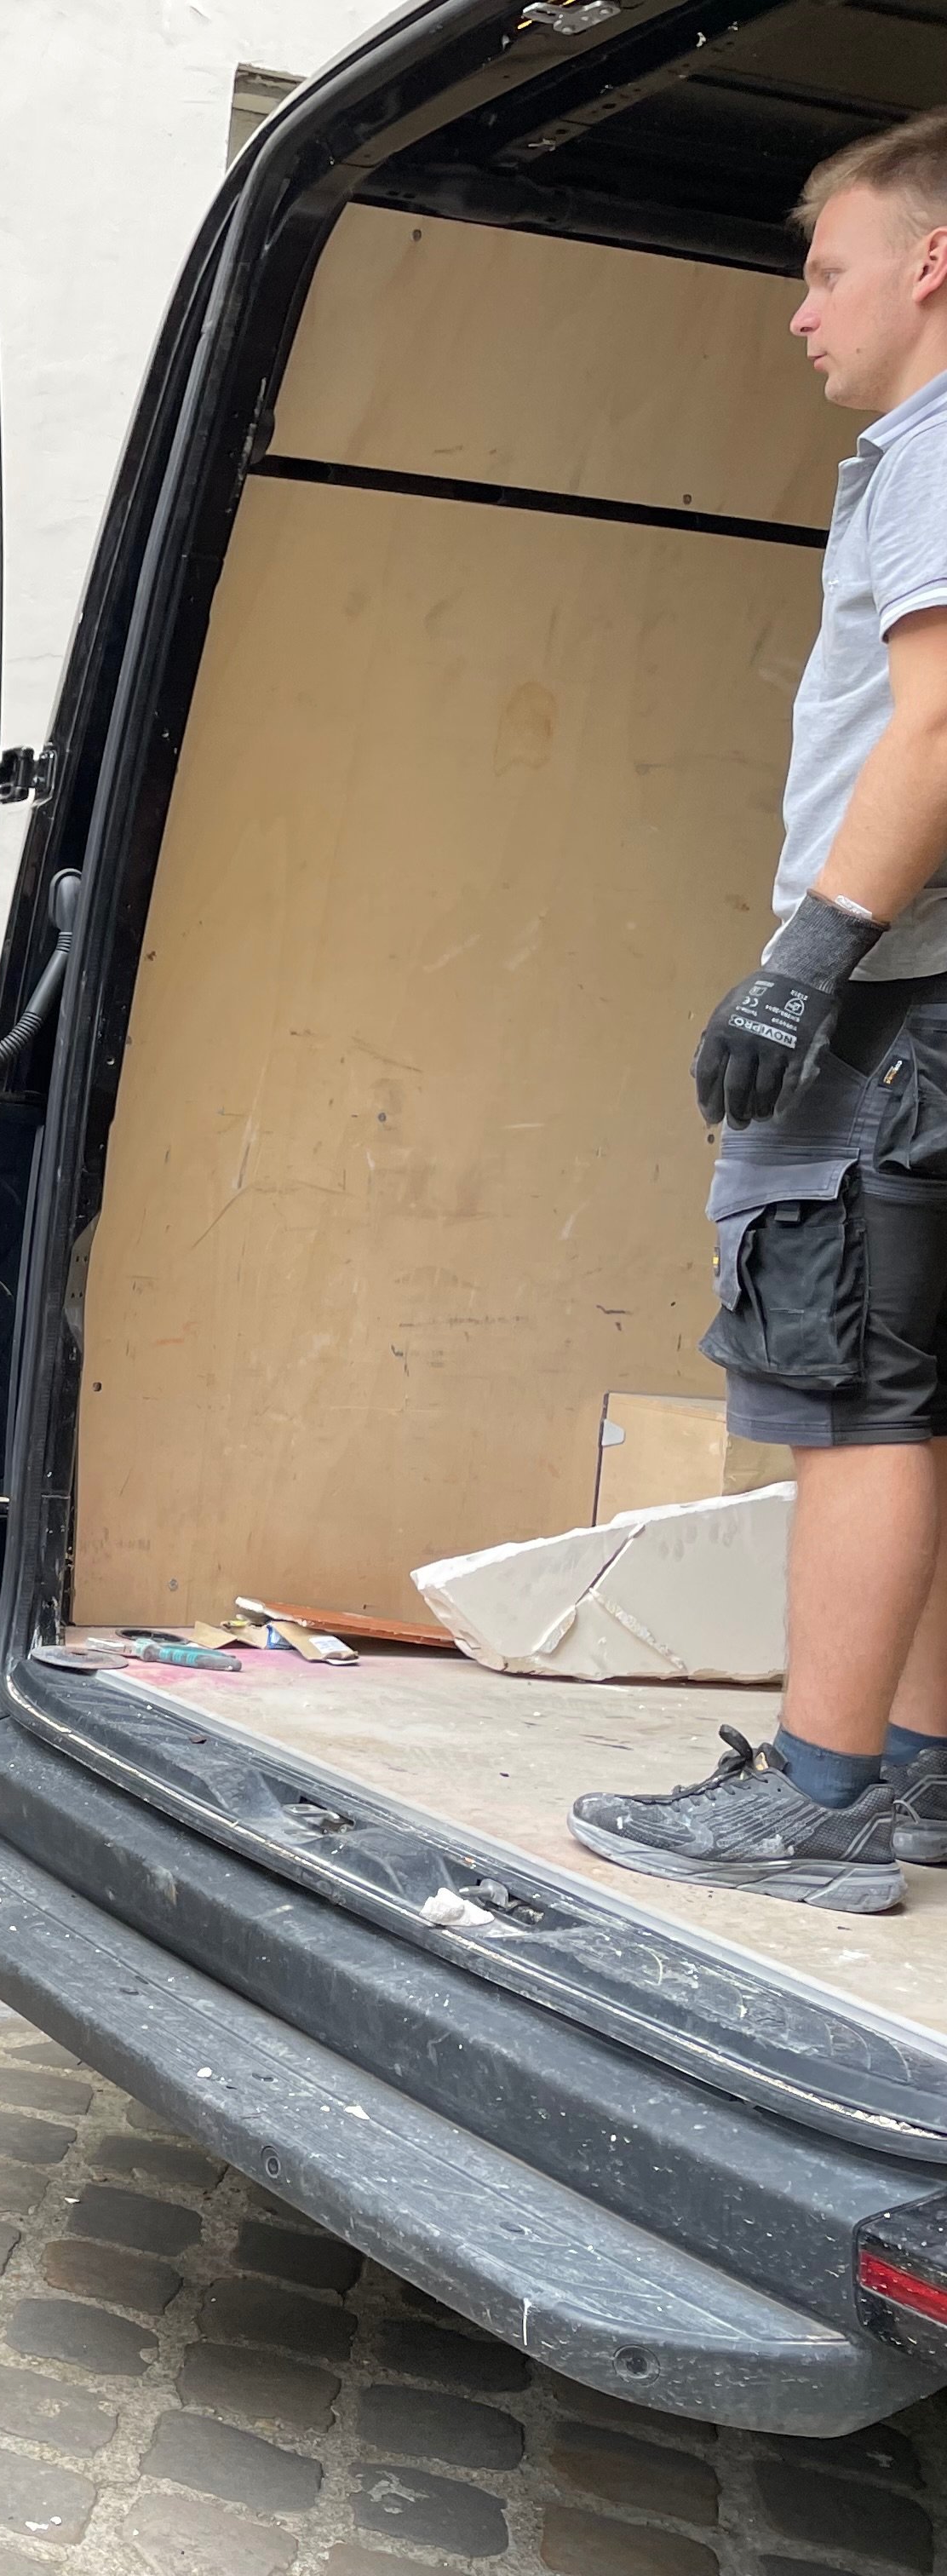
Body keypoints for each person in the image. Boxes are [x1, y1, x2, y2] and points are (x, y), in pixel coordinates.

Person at [580, 112, 947, 1908]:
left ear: (930, 264)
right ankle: (922, 1777)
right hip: (917, 988)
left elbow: (943, 724)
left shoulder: (940, 451)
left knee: (855, 1384)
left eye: (826, 273)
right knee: (920, 1386)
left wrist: (809, 958)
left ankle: (821, 1799)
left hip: (896, 998)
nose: (801, 314)